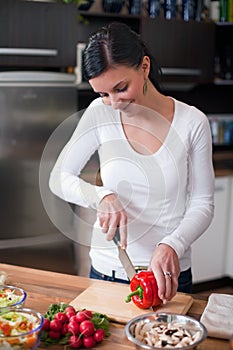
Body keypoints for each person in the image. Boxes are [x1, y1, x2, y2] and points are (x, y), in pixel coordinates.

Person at [49, 22, 214, 304]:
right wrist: (101, 195)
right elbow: (59, 178)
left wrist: (172, 244)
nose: (113, 103)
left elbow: (203, 203)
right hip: (106, 271)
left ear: (145, 67)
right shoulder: (99, 114)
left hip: (167, 274)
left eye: (121, 88)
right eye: (102, 94)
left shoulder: (192, 123)